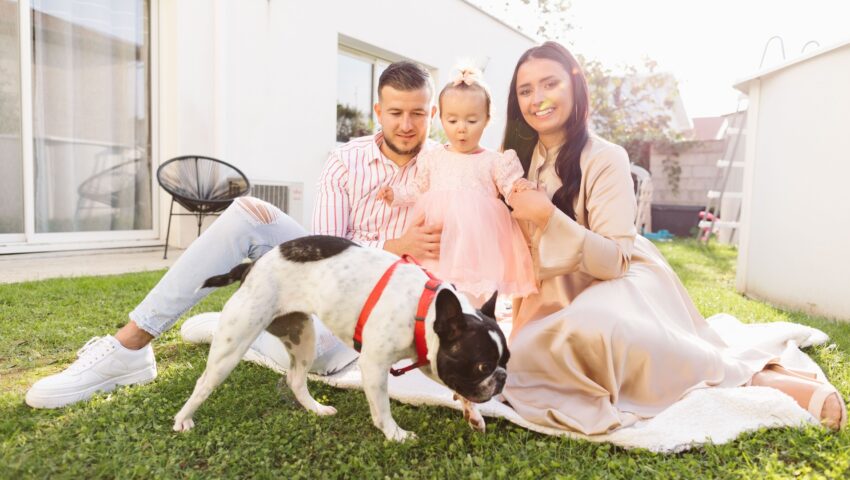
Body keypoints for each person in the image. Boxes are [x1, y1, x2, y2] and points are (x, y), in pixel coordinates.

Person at [25, 61, 442, 409]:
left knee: (298, 346)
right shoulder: (345, 161)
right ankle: (130, 346)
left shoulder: (448, 166)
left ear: (432, 115)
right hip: (330, 290)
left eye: (418, 113)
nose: (406, 125)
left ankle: (241, 327)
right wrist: (393, 248)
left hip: (364, 327)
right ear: (377, 111)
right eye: (395, 112)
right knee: (247, 212)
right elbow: (324, 256)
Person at [500, 41, 846, 433]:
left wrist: (548, 216)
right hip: (547, 295)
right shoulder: (512, 160)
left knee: (591, 325)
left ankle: (750, 376)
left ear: (575, 88)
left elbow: (613, 261)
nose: (537, 99)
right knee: (521, 358)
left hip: (616, 278)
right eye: (525, 90)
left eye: (550, 84)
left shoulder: (604, 157)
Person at [377, 67, 536, 305]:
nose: (461, 128)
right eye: (452, 120)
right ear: (440, 119)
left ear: (487, 120)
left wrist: (520, 186)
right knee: (435, 292)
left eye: (472, 120)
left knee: (474, 295)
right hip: (440, 243)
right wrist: (396, 194)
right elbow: (418, 188)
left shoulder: (495, 161)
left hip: (477, 244)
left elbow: (510, 186)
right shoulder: (433, 158)